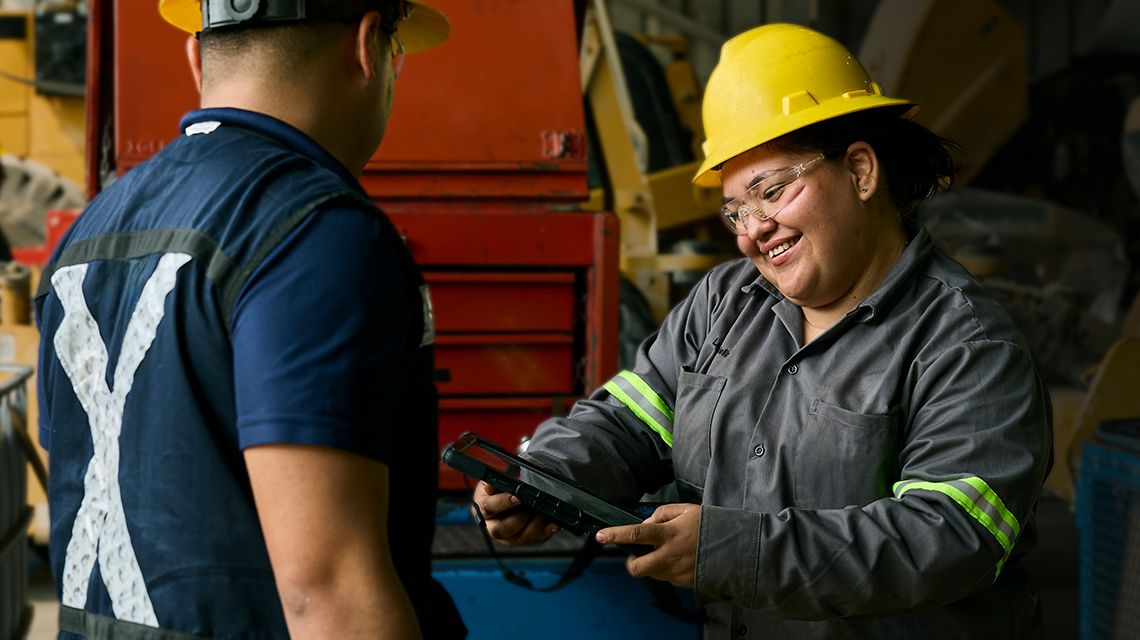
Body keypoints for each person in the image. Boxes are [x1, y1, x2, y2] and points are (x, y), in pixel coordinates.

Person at [475, 22, 1053, 639]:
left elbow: (948, 536)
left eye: (771, 191)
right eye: (735, 212)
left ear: (860, 171)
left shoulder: (965, 344)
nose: (752, 231)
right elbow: (631, 420)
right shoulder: (723, 304)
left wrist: (738, 550)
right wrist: (548, 476)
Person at [34, 0, 465, 638]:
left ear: (195, 56)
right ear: (369, 47)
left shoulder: (87, 235)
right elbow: (328, 594)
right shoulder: (316, 231)